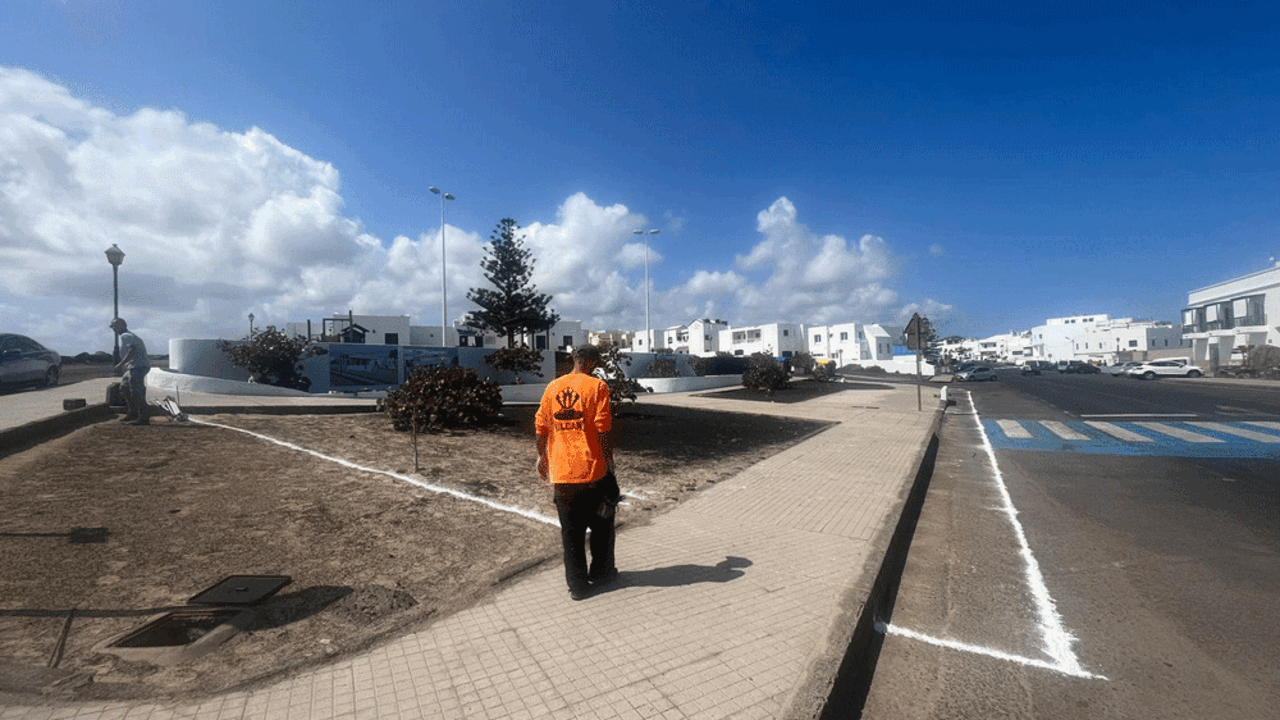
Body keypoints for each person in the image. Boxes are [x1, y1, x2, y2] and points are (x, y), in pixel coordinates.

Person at [536, 345, 620, 600]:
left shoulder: (552, 388)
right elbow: (603, 429)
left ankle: (578, 586)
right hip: (593, 471)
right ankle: (602, 573)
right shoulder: (597, 387)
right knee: (602, 525)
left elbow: (541, 427)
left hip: (562, 474)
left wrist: (542, 457)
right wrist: (609, 462)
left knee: (571, 533)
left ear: (574, 359)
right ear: (592, 361)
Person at [110, 318, 151, 425]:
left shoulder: (126, 336)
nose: (113, 329)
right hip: (134, 367)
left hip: (137, 366)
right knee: (124, 387)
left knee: (136, 392)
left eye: (115, 326)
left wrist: (121, 364)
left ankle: (143, 417)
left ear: (121, 325)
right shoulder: (129, 336)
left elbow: (131, 350)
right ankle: (132, 413)